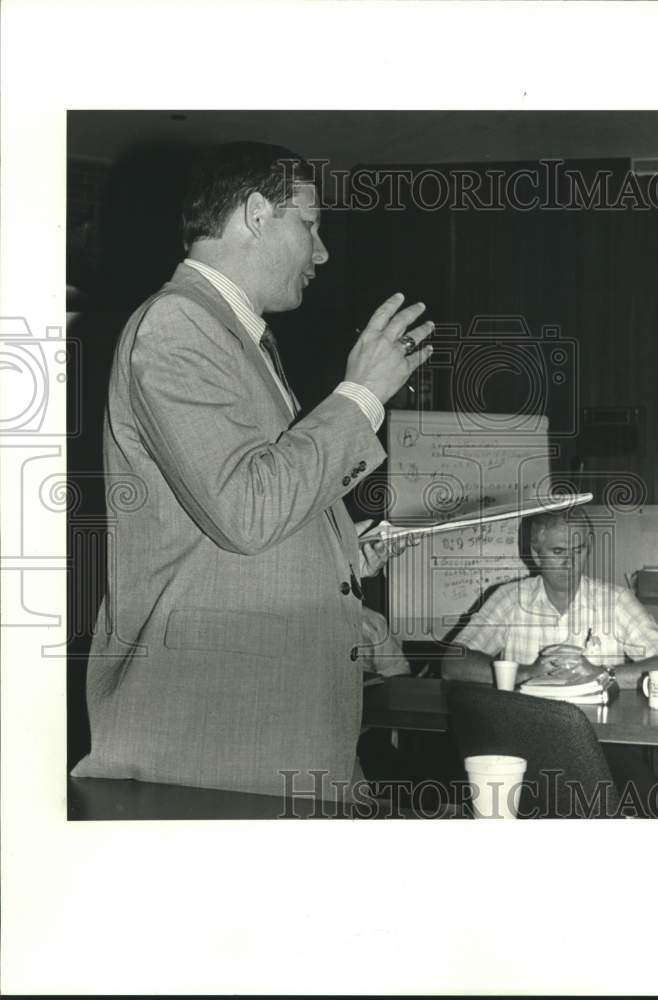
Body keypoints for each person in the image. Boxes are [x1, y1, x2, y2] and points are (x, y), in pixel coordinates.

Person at [71, 141, 433, 798]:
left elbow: (257, 504)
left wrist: (343, 549)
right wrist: (362, 395)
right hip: (216, 744)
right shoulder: (178, 324)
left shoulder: (235, 335)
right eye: (311, 223)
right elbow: (249, 510)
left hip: (268, 736)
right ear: (258, 213)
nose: (322, 252)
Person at [442, 506, 658, 687]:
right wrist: (525, 673)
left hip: (598, 734)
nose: (570, 562)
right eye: (558, 551)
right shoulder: (510, 598)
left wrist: (603, 673)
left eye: (578, 550)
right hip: (524, 728)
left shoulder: (616, 602)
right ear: (537, 556)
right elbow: (452, 663)